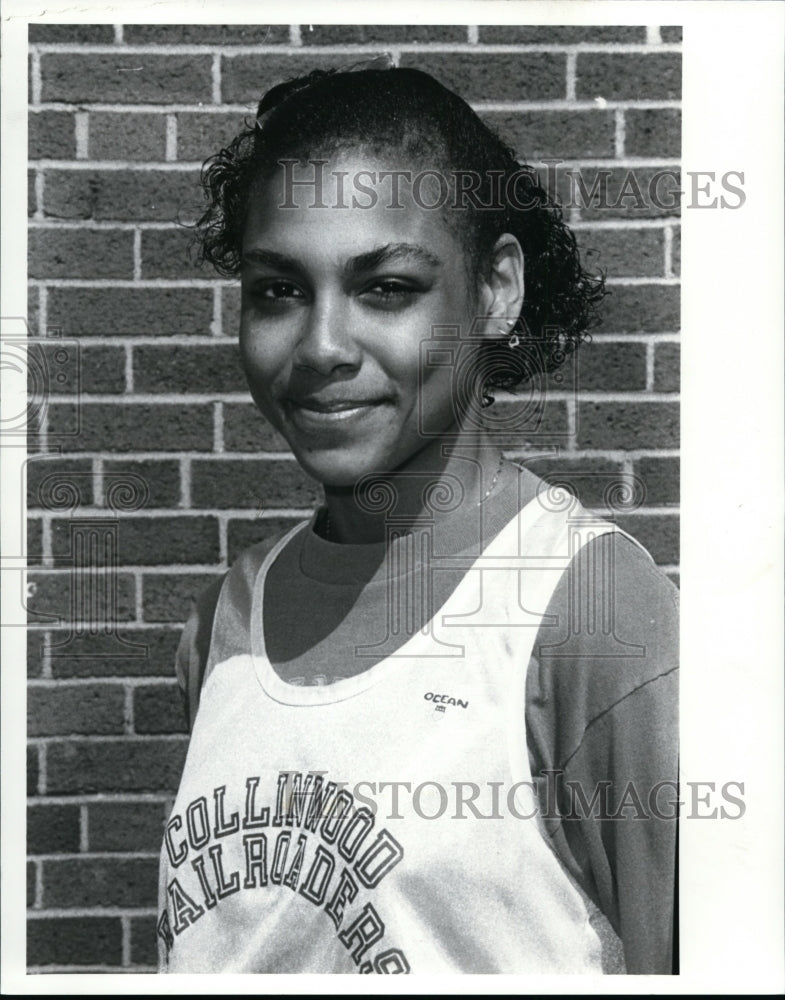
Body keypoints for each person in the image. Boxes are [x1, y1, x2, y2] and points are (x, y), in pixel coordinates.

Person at [156, 63, 678, 975]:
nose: (322, 345)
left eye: (386, 288)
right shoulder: (227, 623)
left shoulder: (588, 612)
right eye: (278, 289)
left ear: (495, 290)